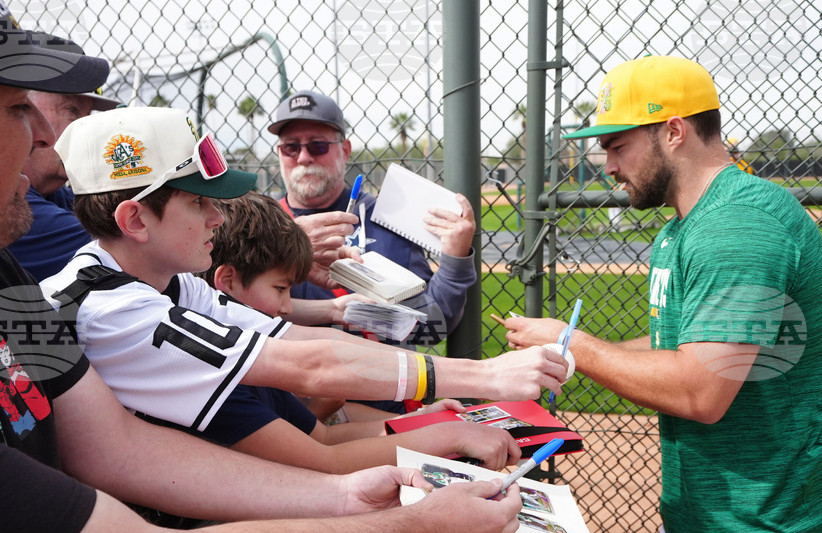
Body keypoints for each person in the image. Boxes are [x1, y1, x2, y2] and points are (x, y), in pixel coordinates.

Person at [0, 1, 529, 533]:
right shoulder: (83, 311)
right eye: (14, 108)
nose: (41, 137)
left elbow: (116, 446)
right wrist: (408, 527)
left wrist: (341, 493)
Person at [502, 55, 822, 533]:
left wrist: (574, 342)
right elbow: (681, 346)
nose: (607, 165)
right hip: (706, 525)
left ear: (673, 131)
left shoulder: (739, 223)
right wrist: (570, 355)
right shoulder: (683, 227)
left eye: (616, 145)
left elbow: (701, 388)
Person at [41, 105, 568, 451]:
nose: (217, 218)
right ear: (135, 221)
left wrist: (343, 312)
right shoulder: (117, 308)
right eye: (199, 202)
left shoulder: (168, 283)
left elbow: (296, 336)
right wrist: (483, 378)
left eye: (317, 144)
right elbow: (310, 369)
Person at [201, 191, 521, 472]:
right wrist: (448, 432)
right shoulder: (218, 373)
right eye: (281, 289)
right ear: (226, 281)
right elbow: (325, 455)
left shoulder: (240, 346)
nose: (287, 307)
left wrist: (418, 422)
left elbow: (325, 433)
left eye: (318, 145)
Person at [268, 90, 478, 349]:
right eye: (291, 147)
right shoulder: (259, 226)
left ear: (345, 150)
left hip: (375, 373)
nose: (303, 158)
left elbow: (429, 328)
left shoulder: (388, 220)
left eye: (318, 145)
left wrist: (455, 262)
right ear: (279, 153)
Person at [9, 88, 121, 281]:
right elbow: (139, 248)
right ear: (23, 108)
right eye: (71, 110)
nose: (86, 131)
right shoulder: (8, 204)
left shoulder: (56, 194)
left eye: (87, 116)